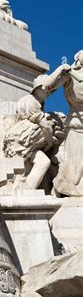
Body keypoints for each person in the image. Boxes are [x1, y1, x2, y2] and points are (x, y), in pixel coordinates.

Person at [53, 50, 83, 196]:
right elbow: (49, 87)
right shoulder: (69, 74)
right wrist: (61, 70)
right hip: (76, 124)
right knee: (75, 163)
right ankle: (67, 187)